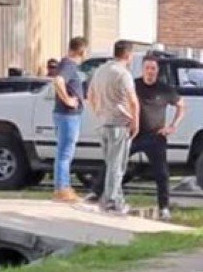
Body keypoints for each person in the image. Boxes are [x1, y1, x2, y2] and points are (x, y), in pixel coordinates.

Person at [92, 55, 186, 221]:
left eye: (153, 68)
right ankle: (96, 193)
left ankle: (164, 207)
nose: (150, 72)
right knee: (113, 162)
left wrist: (172, 126)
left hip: (155, 136)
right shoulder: (134, 84)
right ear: (142, 69)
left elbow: (181, 105)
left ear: (157, 70)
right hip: (133, 133)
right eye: (147, 68)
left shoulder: (165, 89)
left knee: (162, 173)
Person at [86, 40, 140, 215]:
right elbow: (133, 101)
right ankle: (112, 201)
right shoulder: (123, 74)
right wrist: (135, 121)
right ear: (128, 55)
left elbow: (90, 95)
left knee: (110, 163)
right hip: (119, 123)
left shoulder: (100, 70)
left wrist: (98, 112)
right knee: (117, 166)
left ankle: (116, 198)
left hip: (103, 122)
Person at [50, 37, 89, 203]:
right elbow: (58, 81)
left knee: (64, 152)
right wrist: (67, 99)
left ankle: (63, 187)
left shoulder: (68, 65)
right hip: (67, 115)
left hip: (68, 115)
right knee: (65, 153)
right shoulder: (68, 65)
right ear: (82, 51)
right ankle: (62, 189)